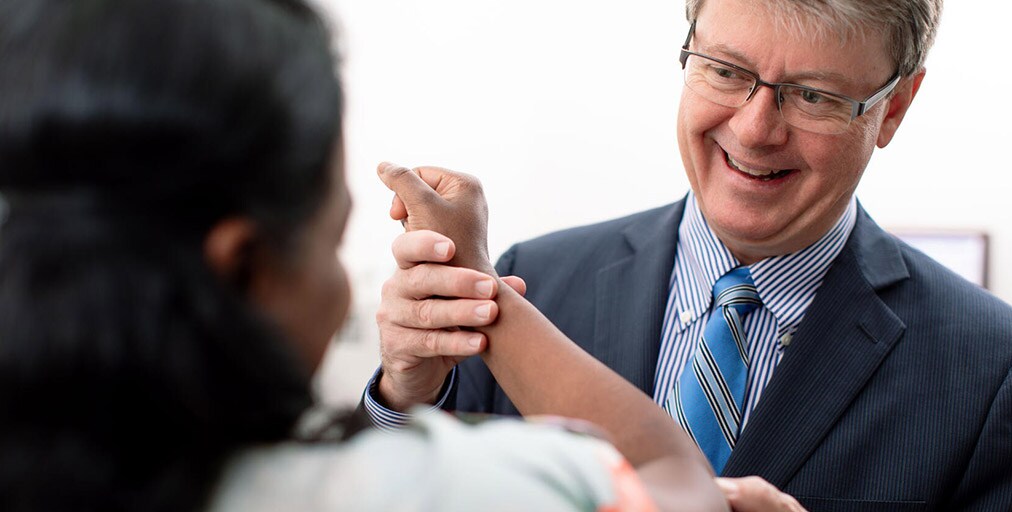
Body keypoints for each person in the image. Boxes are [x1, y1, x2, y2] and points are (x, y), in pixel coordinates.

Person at [0, 0, 770, 510]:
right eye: (334, 241)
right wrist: (476, 295)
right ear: (240, 267)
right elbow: (675, 481)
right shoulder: (438, 490)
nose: (758, 126)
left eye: (816, 95)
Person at [366, 0, 1012, 510]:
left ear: (894, 110)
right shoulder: (533, 284)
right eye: (727, 72)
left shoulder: (992, 373)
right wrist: (405, 394)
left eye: (814, 95)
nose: (753, 129)